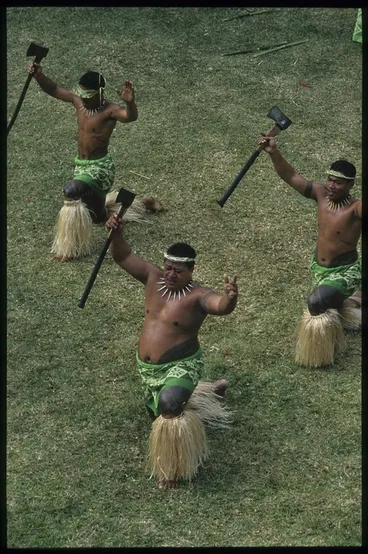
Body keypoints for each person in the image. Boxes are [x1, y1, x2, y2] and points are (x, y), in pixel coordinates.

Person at [106, 211, 238, 489]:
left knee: (169, 406)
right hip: (149, 370)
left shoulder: (198, 296)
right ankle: (209, 391)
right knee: (158, 411)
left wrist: (230, 298)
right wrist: (116, 233)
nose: (170, 274)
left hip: (182, 364)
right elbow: (122, 256)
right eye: (168, 267)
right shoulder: (153, 279)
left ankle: (173, 469)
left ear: (191, 271)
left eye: (178, 271)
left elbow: (220, 307)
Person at [28, 61, 165, 261]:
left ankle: (70, 248)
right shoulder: (78, 102)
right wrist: (39, 76)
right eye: (81, 94)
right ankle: (137, 206)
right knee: (95, 216)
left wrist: (130, 102)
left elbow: (130, 117)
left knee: (71, 191)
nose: (83, 99)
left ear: (100, 93)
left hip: (100, 168)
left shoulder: (110, 111)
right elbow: (54, 89)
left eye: (88, 96)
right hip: (81, 166)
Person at [261, 135, 362, 367]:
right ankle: (355, 303)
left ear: (351, 185)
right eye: (330, 179)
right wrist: (274, 153)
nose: (331, 185)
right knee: (331, 301)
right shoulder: (320, 194)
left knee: (316, 302)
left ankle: (323, 355)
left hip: (344, 272)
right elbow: (291, 176)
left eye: (339, 182)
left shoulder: (356, 209)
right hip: (319, 269)